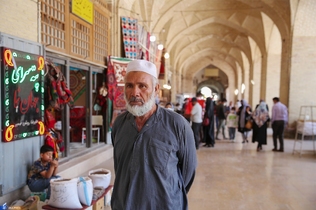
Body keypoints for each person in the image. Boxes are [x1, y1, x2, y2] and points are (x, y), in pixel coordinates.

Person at [111, 59, 197, 210]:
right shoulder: (119, 124)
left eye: (142, 86)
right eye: (129, 86)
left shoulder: (177, 125)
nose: (135, 92)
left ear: (156, 89)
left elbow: (187, 175)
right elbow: (120, 167)